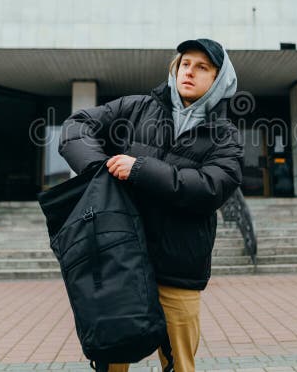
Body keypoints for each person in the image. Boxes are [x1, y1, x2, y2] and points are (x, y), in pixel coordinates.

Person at [59, 38, 244, 372]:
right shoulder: (136, 108)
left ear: (219, 79)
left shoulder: (224, 135)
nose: (190, 71)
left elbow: (211, 188)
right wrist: (99, 170)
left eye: (202, 67)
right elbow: (76, 127)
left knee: (179, 365)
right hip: (122, 264)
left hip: (178, 271)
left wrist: (140, 169)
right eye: (185, 63)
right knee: (112, 361)